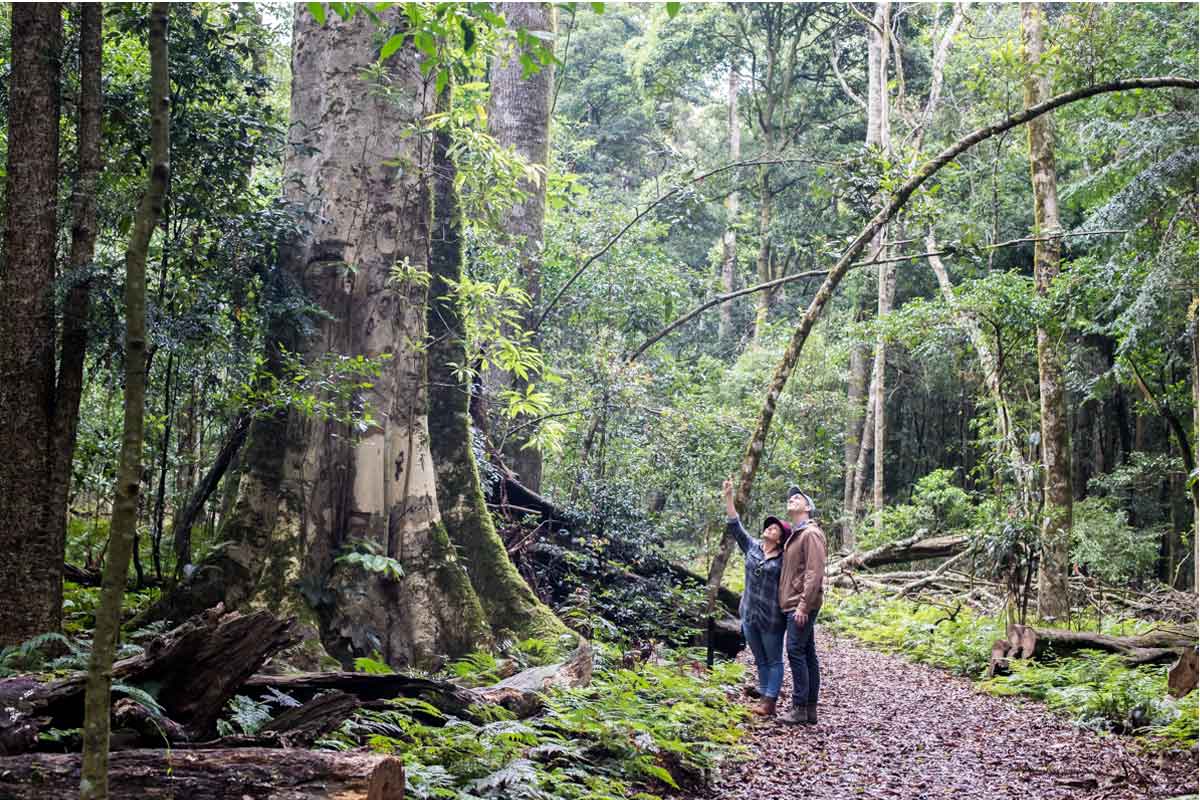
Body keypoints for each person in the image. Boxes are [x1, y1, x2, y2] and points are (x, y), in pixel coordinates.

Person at [722, 477, 788, 717]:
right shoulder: (752, 547)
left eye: (774, 529)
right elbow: (735, 525)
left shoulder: (784, 559)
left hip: (771, 618)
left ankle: (770, 701)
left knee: (774, 660)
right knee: (759, 658)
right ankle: (763, 698)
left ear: (780, 538)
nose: (768, 529)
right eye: (768, 527)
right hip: (749, 613)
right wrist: (729, 497)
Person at [777, 485, 827, 725]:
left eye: (798, 497)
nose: (792, 499)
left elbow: (814, 572)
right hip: (793, 602)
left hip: (801, 603)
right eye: (790, 497)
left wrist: (803, 606)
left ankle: (799, 707)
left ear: (808, 508)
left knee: (795, 650)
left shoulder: (810, 534)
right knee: (806, 651)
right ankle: (809, 709)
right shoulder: (796, 535)